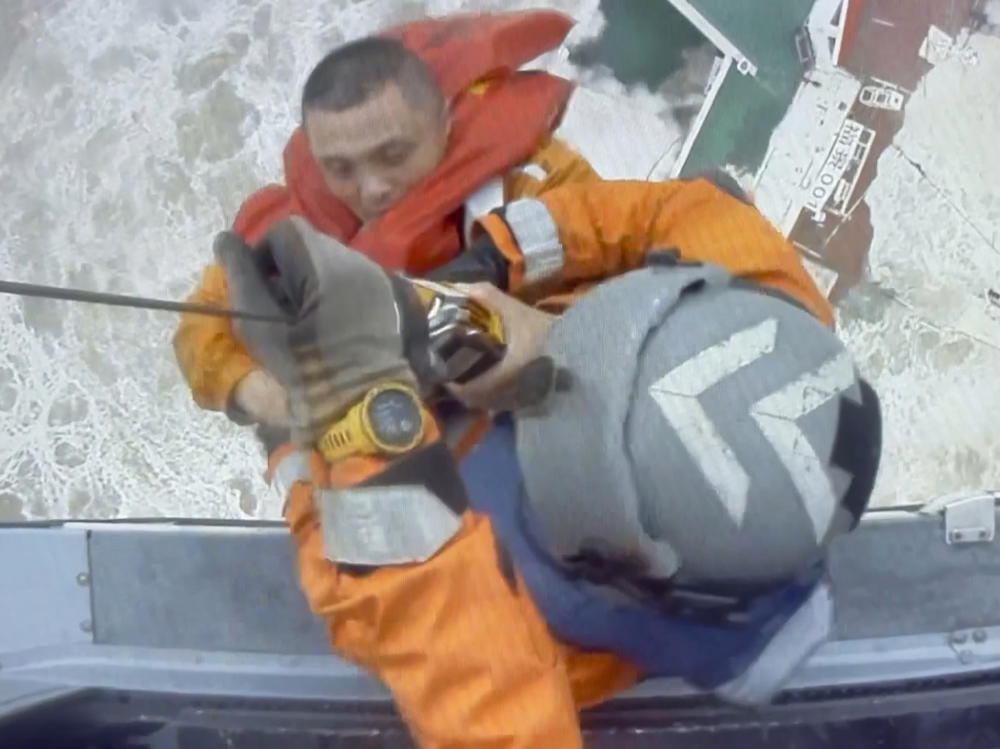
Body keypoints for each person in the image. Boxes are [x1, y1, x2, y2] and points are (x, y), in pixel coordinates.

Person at [213, 199, 880, 748]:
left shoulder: (530, 632)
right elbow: (686, 211)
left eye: (552, 419)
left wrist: (309, 426)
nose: (520, 399)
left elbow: (405, 621)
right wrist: (506, 276)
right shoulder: (772, 328)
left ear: (600, 564)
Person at [173, 10, 601, 427]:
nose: (372, 188)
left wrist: (545, 329)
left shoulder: (535, 180)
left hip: (535, 406)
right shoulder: (289, 227)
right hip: (387, 437)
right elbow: (200, 324)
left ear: (444, 125)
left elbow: (625, 268)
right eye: (341, 168)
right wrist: (257, 393)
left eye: (393, 155)